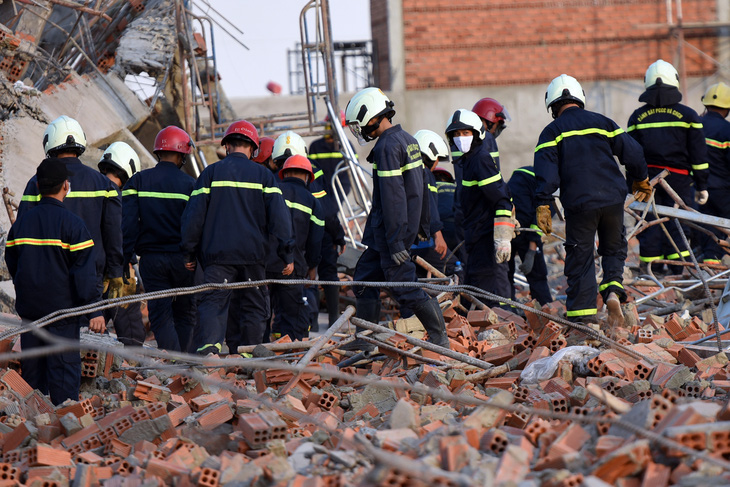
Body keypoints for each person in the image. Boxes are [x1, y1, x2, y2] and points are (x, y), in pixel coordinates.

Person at [535, 74, 650, 325]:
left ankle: (583, 319)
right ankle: (612, 291)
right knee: (614, 248)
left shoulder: (551, 132)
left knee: (581, 257)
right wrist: (640, 179)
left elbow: (546, 173)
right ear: (580, 98)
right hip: (612, 200)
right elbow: (633, 151)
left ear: (553, 105)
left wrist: (543, 203)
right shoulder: (603, 122)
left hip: (579, 204)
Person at [345, 87, 449, 349]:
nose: (360, 131)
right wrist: (421, 228)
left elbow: (393, 199)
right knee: (364, 280)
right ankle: (365, 340)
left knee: (403, 285)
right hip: (397, 232)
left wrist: (396, 243)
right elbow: (421, 190)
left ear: (371, 116)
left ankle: (439, 337)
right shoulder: (408, 140)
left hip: (391, 234)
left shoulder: (387, 147)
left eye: (360, 124)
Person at [181, 120, 294, 355]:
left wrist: (189, 252)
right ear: (253, 149)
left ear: (227, 146)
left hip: (217, 258)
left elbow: (193, 217)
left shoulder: (211, 173)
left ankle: (209, 350)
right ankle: (248, 355)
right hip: (253, 257)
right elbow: (281, 220)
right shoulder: (264, 176)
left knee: (214, 303)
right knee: (253, 305)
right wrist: (287, 254)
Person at [6, 158, 105, 405]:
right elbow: (84, 273)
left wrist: (26, 290)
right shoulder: (74, 226)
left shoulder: (21, 225)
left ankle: (33, 429)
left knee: (33, 376)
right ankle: (64, 431)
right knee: (63, 377)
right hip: (63, 316)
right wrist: (94, 309)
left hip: (31, 316)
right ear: (66, 186)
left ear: (38, 186)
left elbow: (12, 263)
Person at [18, 116, 124, 299]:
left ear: (50, 142)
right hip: (91, 276)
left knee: (47, 327)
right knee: (86, 326)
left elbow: (23, 231)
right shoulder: (105, 185)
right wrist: (115, 272)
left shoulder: (37, 182)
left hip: (47, 276)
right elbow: (113, 233)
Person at [627, 59, 708, 275]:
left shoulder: (637, 117)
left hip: (646, 181)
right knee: (678, 222)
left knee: (649, 221)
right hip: (679, 180)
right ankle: (678, 268)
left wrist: (632, 184)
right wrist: (702, 185)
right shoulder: (689, 116)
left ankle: (651, 269)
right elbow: (699, 156)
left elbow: (630, 155)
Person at [122, 127, 197, 352]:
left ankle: (172, 361)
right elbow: (195, 226)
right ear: (181, 155)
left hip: (152, 260)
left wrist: (126, 257)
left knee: (160, 312)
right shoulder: (190, 186)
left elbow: (127, 225)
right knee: (185, 312)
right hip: (184, 261)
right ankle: (185, 362)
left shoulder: (138, 182)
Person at [273, 131, 347, 329]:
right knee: (325, 270)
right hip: (314, 231)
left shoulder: (274, 176)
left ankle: (304, 323)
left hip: (284, 241)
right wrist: (338, 236)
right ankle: (330, 320)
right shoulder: (311, 170)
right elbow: (326, 209)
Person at [445, 108, 515, 308]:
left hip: (485, 236)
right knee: (476, 287)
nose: (461, 138)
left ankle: (500, 327)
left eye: (465, 133)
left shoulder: (481, 159)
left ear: (476, 133)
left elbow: (501, 199)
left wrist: (502, 237)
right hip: (474, 236)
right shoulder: (467, 161)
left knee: (489, 288)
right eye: (456, 134)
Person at [267, 155, 325, 340]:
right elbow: (315, 242)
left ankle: (257, 354)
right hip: (294, 267)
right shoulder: (313, 202)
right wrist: (312, 267)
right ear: (308, 177)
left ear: (284, 173)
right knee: (294, 315)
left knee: (260, 313)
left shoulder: (273, 192)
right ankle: (293, 357)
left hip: (265, 264)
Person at [98, 142, 146, 347]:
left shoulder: (90, 191)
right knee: (132, 334)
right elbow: (122, 235)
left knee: (88, 323)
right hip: (119, 272)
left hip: (92, 272)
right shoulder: (119, 197)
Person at [412, 129, 458, 275]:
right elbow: (429, 207)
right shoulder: (425, 174)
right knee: (455, 268)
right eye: (437, 157)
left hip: (406, 243)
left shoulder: (409, 173)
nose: (437, 162)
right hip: (423, 244)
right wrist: (438, 236)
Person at [506, 166, 552, 305]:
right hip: (524, 230)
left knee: (505, 273)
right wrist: (532, 250)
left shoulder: (520, 178)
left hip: (507, 228)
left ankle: (508, 309)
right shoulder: (549, 186)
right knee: (537, 276)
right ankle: (546, 311)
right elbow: (541, 220)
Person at [697, 82, 730, 264]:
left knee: (704, 224)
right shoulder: (727, 130)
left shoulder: (695, 125)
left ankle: (709, 260)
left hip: (698, 186)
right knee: (723, 224)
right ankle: (714, 260)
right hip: (723, 188)